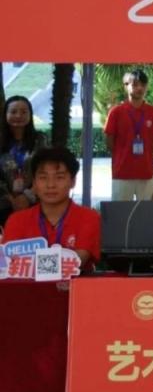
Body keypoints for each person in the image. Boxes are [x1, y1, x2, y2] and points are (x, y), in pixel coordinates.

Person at [0, 147, 99, 267]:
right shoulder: (17, 220)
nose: (50, 185)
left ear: (73, 181)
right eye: (43, 177)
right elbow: (8, 263)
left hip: (74, 280)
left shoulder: (89, 218)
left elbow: (77, 261)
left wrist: (30, 262)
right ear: (34, 183)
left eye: (59, 177)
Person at [104, 69, 153, 201]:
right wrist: (123, 153)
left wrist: (146, 152)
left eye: (143, 85)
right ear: (126, 86)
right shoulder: (116, 112)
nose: (140, 88)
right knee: (120, 211)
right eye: (135, 84)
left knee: (146, 212)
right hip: (122, 173)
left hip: (146, 173)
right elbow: (109, 141)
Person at [0, 95, 47, 225]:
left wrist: (28, 195)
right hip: (3, 205)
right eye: (13, 111)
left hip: (35, 202)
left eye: (23, 112)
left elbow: (46, 170)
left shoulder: (40, 140)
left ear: (30, 115)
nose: (18, 115)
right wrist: (11, 199)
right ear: (5, 114)